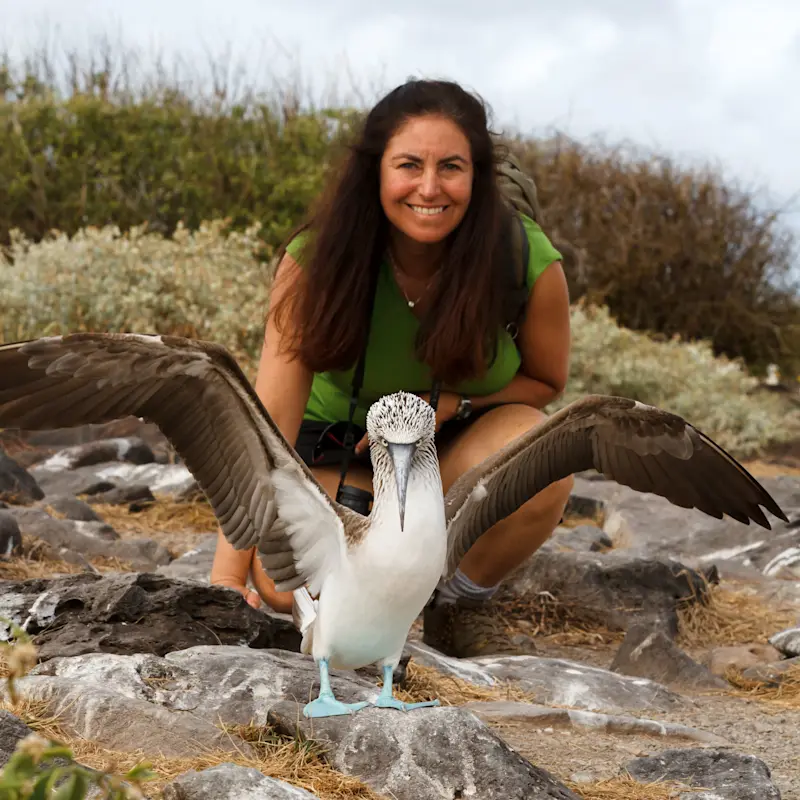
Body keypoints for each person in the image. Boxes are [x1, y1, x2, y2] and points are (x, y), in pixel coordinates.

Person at [210, 78, 573, 658]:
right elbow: (270, 416)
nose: (430, 188)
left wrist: (457, 405)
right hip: (336, 455)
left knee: (545, 459)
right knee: (294, 590)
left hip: (448, 454)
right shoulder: (316, 259)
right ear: (375, 171)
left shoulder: (522, 258)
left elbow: (547, 382)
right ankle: (394, 594)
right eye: (409, 165)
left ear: (476, 176)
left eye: (451, 166)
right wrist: (229, 575)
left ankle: (456, 601)